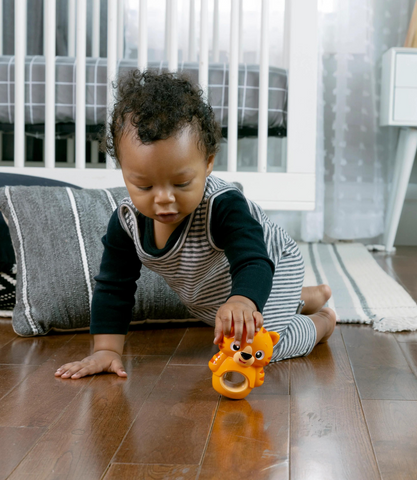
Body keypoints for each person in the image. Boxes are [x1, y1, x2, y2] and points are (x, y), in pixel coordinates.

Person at [55, 70, 336, 380]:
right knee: (233, 333)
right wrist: (105, 351)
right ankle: (300, 298)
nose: (163, 198)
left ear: (208, 163)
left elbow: (253, 258)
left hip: (269, 265)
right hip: (211, 292)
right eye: (144, 186)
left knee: (252, 351)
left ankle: (320, 322)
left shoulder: (223, 205)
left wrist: (244, 299)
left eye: (181, 183)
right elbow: (114, 286)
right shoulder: (126, 222)